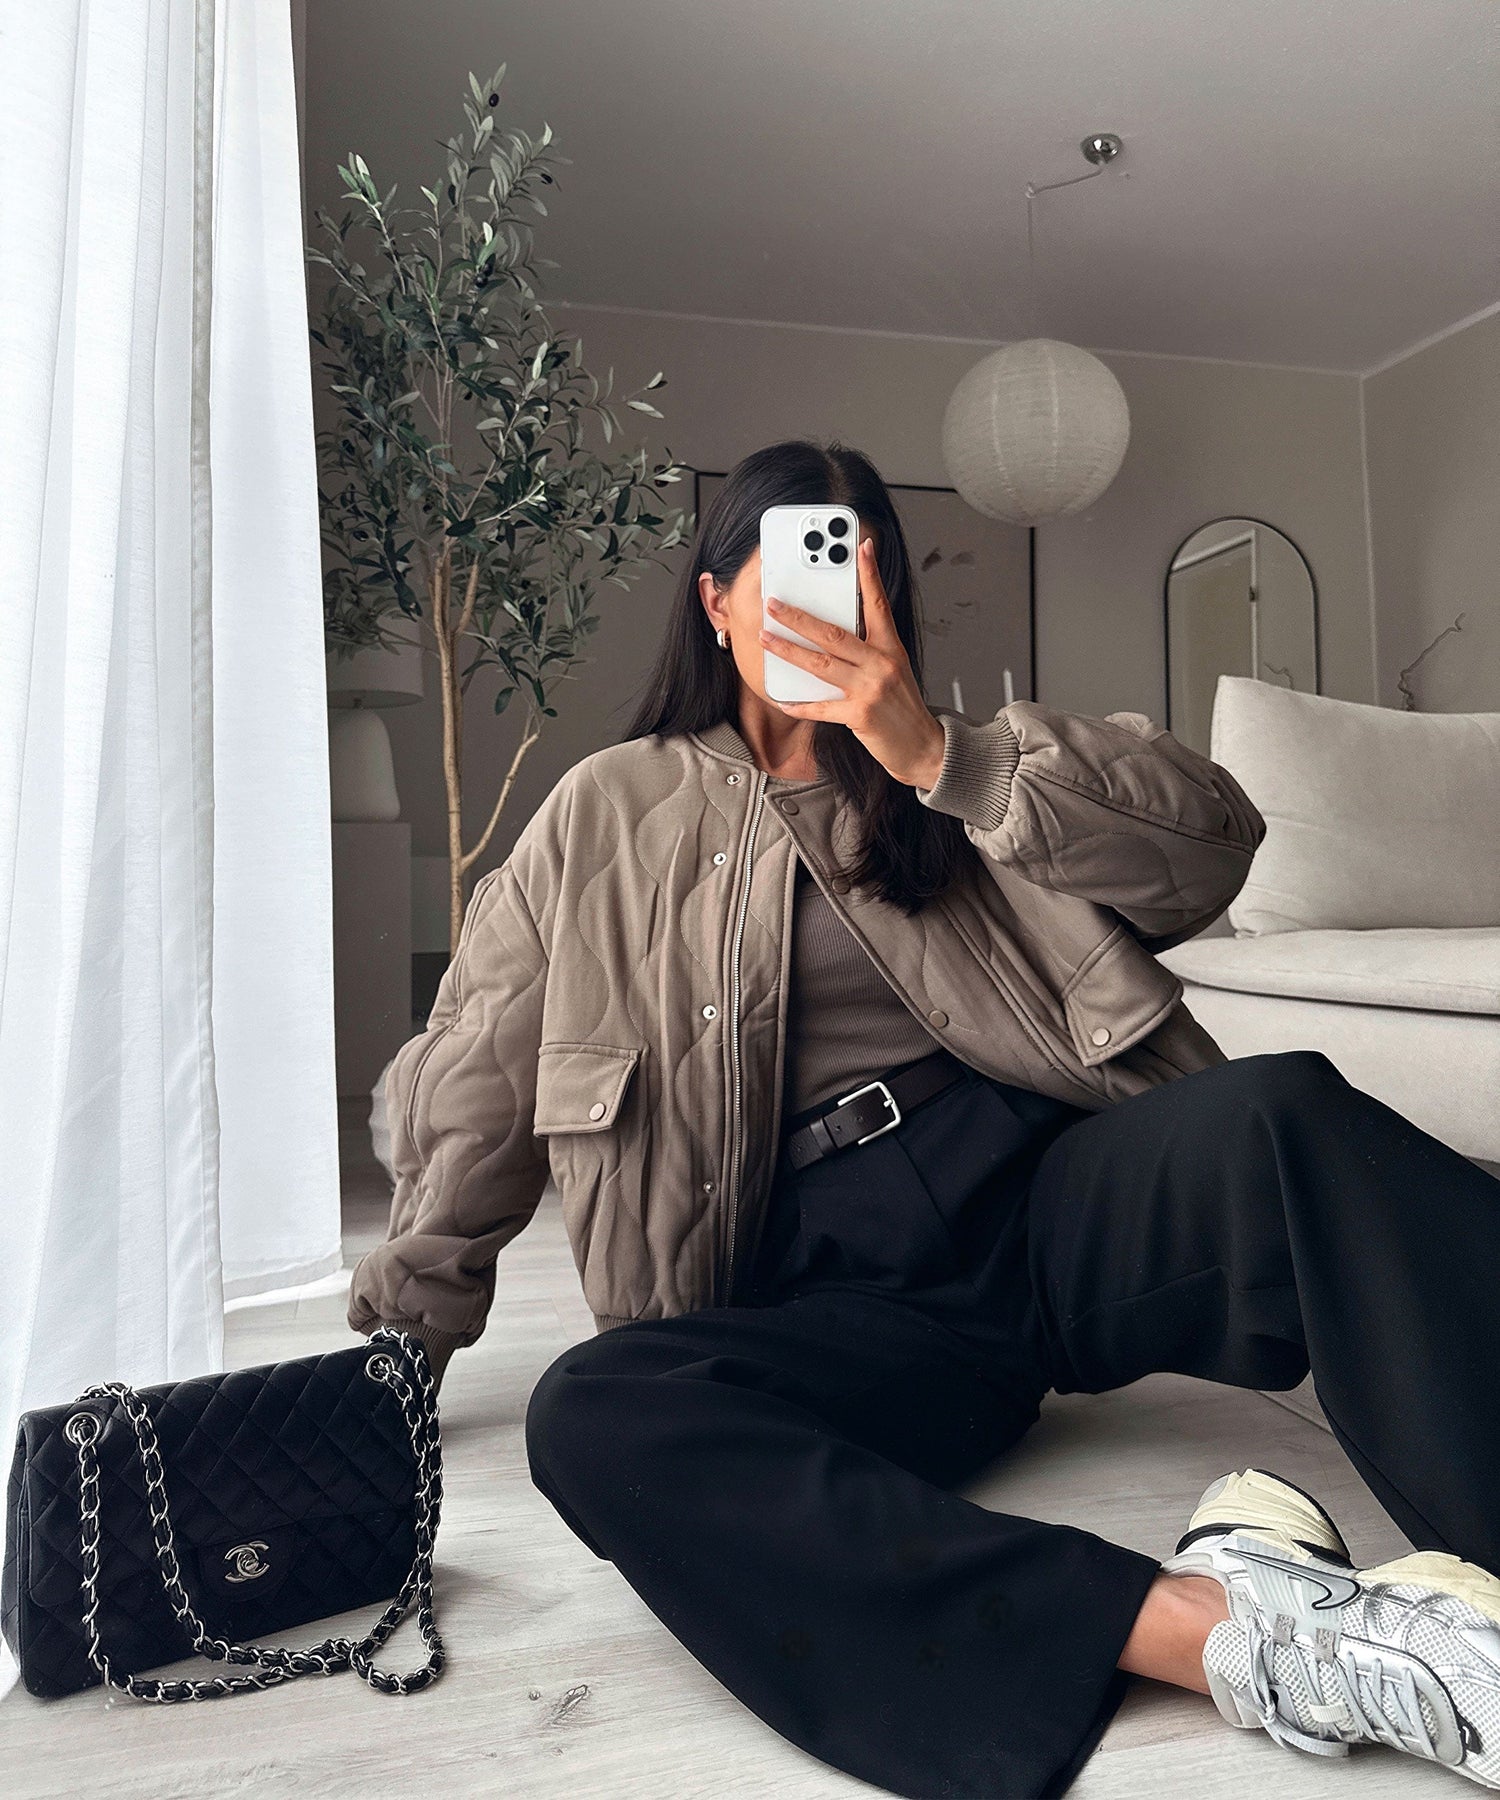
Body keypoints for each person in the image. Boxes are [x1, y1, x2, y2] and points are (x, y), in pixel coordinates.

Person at [349, 439, 1500, 1798]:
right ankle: (1230, 1635)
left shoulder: (965, 764)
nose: (828, 604)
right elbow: (479, 1085)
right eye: (792, 570)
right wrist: (404, 1342)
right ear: (715, 599)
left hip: (1043, 1209)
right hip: (839, 1305)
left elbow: (1212, 850)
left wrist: (944, 757)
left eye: (859, 574)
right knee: (594, 1415)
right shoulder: (605, 810)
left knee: (1285, 1111)